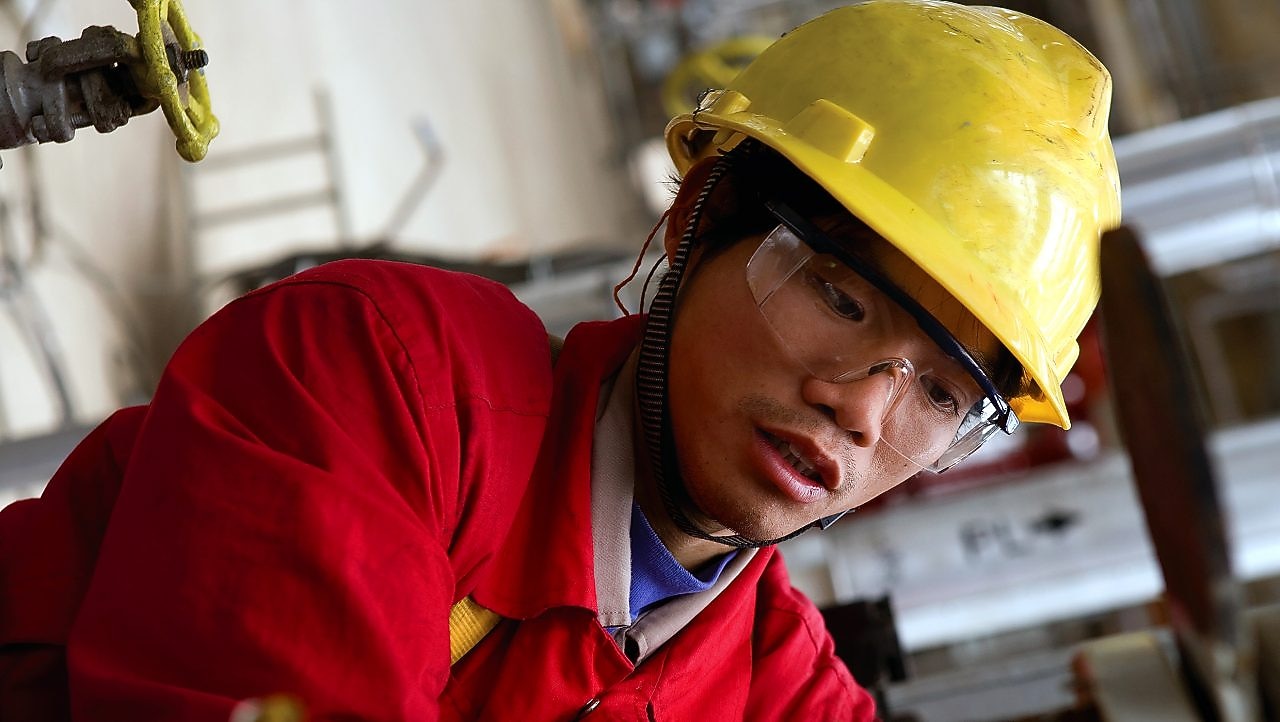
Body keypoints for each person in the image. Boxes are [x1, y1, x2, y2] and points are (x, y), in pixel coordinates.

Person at [0, 1, 1121, 719]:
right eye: (839, 297)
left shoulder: (773, 689)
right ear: (698, 214)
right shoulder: (380, 375)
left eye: (943, 393)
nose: (863, 412)